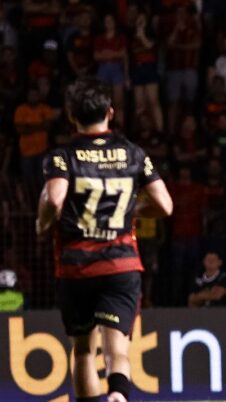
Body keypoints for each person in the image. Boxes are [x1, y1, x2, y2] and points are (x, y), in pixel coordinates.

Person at [36, 78, 173, 402]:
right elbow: (165, 205)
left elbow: (54, 200)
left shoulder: (62, 156)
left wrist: (43, 224)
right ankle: (118, 394)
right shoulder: (133, 153)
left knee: (83, 350)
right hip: (121, 264)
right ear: (110, 112)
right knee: (118, 351)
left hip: (76, 267)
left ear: (72, 116)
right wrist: (130, 209)